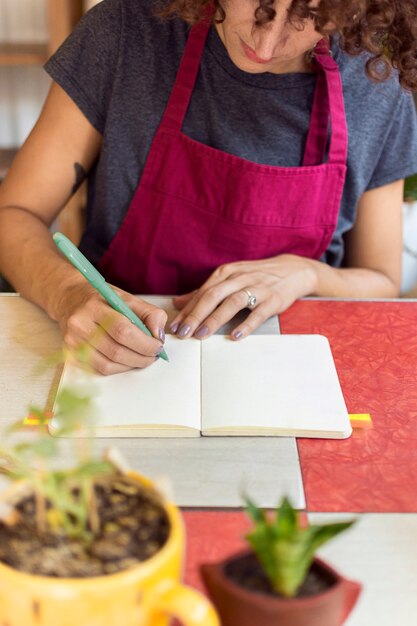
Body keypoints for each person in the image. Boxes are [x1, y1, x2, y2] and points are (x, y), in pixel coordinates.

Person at [0, 0, 417, 375]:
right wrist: (67, 293)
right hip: (117, 356)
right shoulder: (127, 32)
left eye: (310, 14)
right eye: (258, 2)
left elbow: (381, 278)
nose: (266, 43)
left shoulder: (375, 80)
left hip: (290, 370)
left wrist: (306, 273)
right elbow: (13, 215)